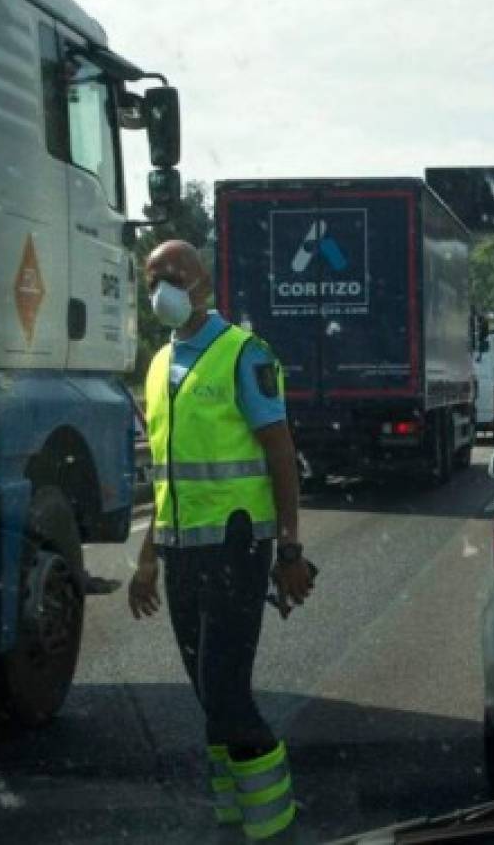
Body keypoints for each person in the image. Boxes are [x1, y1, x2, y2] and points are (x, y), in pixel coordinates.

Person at [127, 240, 315, 842]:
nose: (162, 288)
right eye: (153, 277)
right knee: (209, 697)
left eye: (174, 276)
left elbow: (281, 453)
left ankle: (276, 828)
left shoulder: (242, 354)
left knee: (228, 697)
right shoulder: (158, 366)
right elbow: (166, 475)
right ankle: (236, 823)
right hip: (182, 553)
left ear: (203, 284)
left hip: (236, 549)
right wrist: (147, 559)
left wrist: (288, 550)